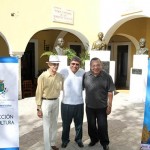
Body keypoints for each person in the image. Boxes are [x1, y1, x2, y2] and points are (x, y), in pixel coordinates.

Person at [83, 57, 115, 150]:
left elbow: (110, 92)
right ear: (90, 66)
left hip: (102, 107)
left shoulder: (107, 77)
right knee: (91, 125)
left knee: (102, 126)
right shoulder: (85, 75)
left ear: (101, 65)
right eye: (93, 65)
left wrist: (109, 106)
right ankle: (94, 139)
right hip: (89, 106)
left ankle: (105, 142)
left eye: (97, 65)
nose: (95, 67)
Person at [35, 55, 63, 150]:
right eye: (53, 64)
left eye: (57, 64)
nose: (55, 66)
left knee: (54, 123)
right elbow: (38, 92)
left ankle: (52, 143)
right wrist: (38, 108)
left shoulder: (59, 76)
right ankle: (47, 148)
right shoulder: (42, 77)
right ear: (49, 65)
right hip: (46, 102)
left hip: (56, 101)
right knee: (46, 126)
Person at [59, 56, 85, 148]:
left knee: (79, 124)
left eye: (77, 64)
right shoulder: (63, 71)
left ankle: (79, 140)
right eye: (73, 64)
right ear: (70, 63)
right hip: (66, 104)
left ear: (79, 65)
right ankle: (65, 140)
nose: (75, 66)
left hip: (79, 104)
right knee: (66, 124)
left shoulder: (83, 72)